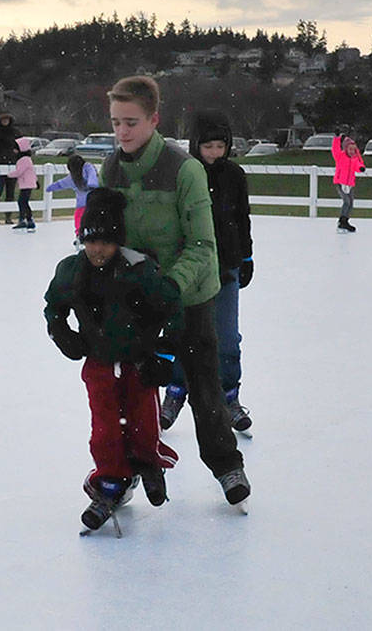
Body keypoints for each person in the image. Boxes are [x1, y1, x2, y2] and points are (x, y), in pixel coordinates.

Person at [101, 75, 249, 506]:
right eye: (115, 123)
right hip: (138, 295)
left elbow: (204, 245)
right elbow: (108, 235)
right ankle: (125, 468)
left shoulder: (185, 169)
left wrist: (168, 286)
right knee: (129, 387)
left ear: (153, 119)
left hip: (189, 295)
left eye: (131, 121)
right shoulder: (112, 168)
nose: (122, 132)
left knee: (204, 384)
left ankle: (226, 465)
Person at [44, 188, 181, 532]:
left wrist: (163, 355)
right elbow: (53, 307)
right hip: (99, 361)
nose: (97, 249)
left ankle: (147, 462)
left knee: (144, 422)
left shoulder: (138, 269)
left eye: (105, 242)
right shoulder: (72, 271)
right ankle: (109, 481)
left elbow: (170, 307)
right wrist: (64, 335)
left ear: (118, 242)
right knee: (103, 426)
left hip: (138, 362)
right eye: (91, 242)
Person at [162, 111, 255, 434]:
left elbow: (242, 217)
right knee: (184, 333)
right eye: (209, 146)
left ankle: (230, 397)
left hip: (226, 265)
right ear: (196, 146)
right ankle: (175, 392)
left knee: (227, 337)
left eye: (220, 146)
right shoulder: (186, 173)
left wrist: (247, 256)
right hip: (191, 266)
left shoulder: (234, 175)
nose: (215, 152)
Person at [45, 153, 100, 237]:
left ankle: (80, 232)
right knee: (92, 217)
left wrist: (50, 188)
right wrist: (92, 184)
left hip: (84, 203)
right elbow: (92, 174)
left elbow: (60, 184)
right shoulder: (86, 168)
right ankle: (88, 232)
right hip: (94, 200)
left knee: (79, 218)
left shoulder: (75, 176)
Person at [331, 130, 365, 232]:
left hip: (349, 184)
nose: (352, 151)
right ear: (346, 149)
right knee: (346, 201)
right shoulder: (340, 156)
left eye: (353, 150)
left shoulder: (354, 159)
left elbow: (357, 165)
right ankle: (342, 221)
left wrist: (361, 168)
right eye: (350, 149)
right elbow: (335, 149)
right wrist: (337, 139)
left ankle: (345, 220)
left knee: (351, 203)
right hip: (340, 182)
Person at [8, 136, 37, 230]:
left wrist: (9, 175)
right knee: (24, 202)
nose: (14, 151)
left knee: (22, 201)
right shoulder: (27, 159)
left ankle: (23, 219)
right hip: (28, 183)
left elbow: (19, 172)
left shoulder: (23, 160)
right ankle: (29, 220)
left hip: (26, 184)